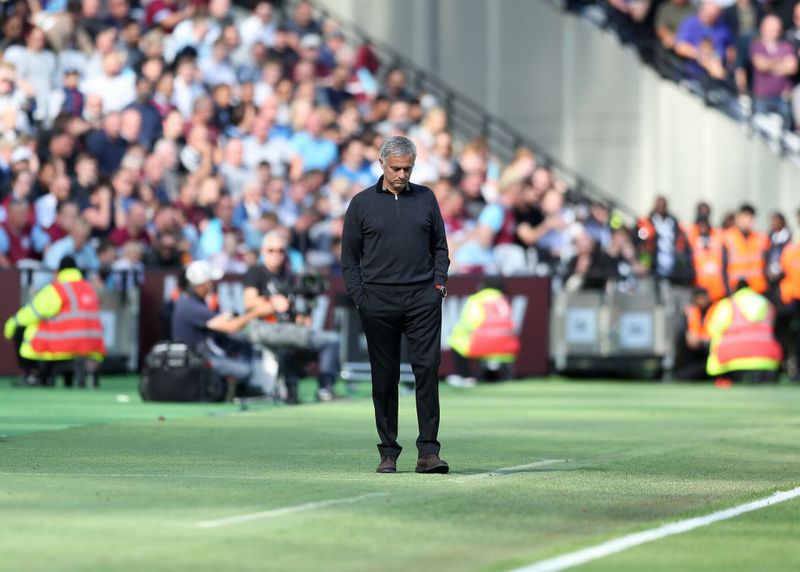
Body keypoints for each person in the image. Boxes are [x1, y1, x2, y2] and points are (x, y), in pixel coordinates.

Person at [342, 135, 450, 474]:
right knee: (384, 377)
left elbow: (440, 248)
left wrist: (438, 285)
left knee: (427, 371)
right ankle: (388, 452)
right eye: (396, 168)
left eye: (408, 168)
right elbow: (349, 259)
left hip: (422, 299)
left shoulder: (426, 198)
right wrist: (361, 299)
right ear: (382, 164)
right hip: (378, 301)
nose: (402, 174)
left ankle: (428, 452)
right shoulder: (361, 203)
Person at [242, 230, 341, 404]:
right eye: (271, 250)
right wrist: (272, 301)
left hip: (287, 328)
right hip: (265, 327)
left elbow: (292, 309)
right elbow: (249, 302)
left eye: (280, 251)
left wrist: (301, 317)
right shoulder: (256, 272)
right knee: (329, 340)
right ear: (263, 251)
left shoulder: (288, 276)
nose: (276, 254)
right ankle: (322, 389)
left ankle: (303, 388)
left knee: (322, 341)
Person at [171, 259, 271, 395]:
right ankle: (237, 388)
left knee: (240, 344)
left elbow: (217, 322)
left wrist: (228, 316)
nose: (212, 285)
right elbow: (231, 327)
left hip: (199, 355)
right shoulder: (191, 306)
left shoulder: (189, 301)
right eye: (210, 281)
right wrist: (255, 312)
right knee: (245, 371)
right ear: (204, 284)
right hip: (197, 360)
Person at [3, 256, 105, 387]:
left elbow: (31, 313)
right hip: (92, 347)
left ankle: (33, 375)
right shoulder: (89, 288)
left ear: (58, 271)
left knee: (21, 328)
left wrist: (11, 325)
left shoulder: (58, 289)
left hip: (66, 345)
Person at [447, 276, 520, 387]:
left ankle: (465, 376)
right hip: (506, 349)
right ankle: (506, 374)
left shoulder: (477, 299)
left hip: (483, 344)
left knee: (456, 340)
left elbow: (469, 322)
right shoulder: (503, 300)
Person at [706, 280, 783, 383]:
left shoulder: (728, 303)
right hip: (767, 357)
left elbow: (713, 329)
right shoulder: (766, 303)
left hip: (732, 358)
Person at [721, 203, 768, 296]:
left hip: (757, 291)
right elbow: (722, 267)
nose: (747, 221)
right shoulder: (727, 238)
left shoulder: (760, 239)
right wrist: (727, 290)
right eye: (744, 217)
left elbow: (766, 264)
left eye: (750, 218)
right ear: (737, 217)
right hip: (735, 291)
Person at [673, 287, 713, 380]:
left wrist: (702, 341)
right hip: (694, 345)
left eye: (702, 298)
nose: (700, 301)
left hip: (709, 345)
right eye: (698, 298)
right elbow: (684, 328)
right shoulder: (690, 311)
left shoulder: (715, 309)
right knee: (680, 338)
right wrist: (688, 335)